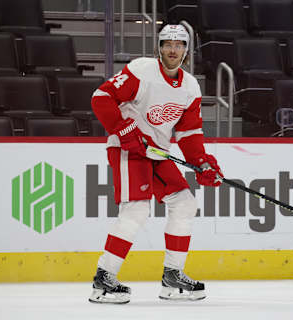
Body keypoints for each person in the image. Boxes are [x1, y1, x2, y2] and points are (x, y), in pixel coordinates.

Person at [88, 24, 223, 304]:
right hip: (128, 150)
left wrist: (201, 163)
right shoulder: (141, 70)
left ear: (187, 51)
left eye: (179, 45)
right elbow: (101, 98)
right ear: (158, 48)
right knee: (136, 208)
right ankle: (103, 280)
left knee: (185, 203)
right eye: (167, 44)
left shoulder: (190, 86)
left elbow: (189, 132)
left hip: (158, 153)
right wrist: (124, 131)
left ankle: (172, 276)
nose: (173, 50)